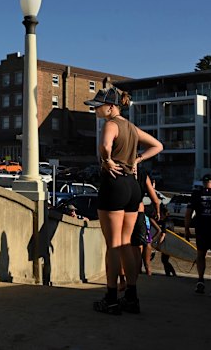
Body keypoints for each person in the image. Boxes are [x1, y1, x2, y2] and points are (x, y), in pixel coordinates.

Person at [84, 87, 163, 314]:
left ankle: (110, 299)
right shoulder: (131, 127)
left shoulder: (110, 124)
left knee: (113, 245)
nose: (95, 109)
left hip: (114, 183)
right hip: (132, 186)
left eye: (98, 106)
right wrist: (137, 159)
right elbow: (158, 145)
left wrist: (106, 159)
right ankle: (131, 296)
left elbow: (105, 146)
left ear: (111, 107)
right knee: (127, 244)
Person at [118, 169, 162, 290]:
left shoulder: (119, 170)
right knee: (136, 248)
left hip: (121, 212)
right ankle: (133, 280)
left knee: (120, 247)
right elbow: (155, 199)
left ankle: (122, 280)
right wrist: (157, 211)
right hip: (138, 213)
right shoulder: (142, 175)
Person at [157, 206, 176, 277]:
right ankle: (169, 273)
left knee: (164, 260)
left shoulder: (165, 222)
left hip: (167, 244)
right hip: (171, 243)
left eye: (160, 214)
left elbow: (163, 235)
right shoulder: (171, 221)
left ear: (163, 213)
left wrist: (159, 244)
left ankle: (171, 274)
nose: (160, 215)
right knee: (165, 260)